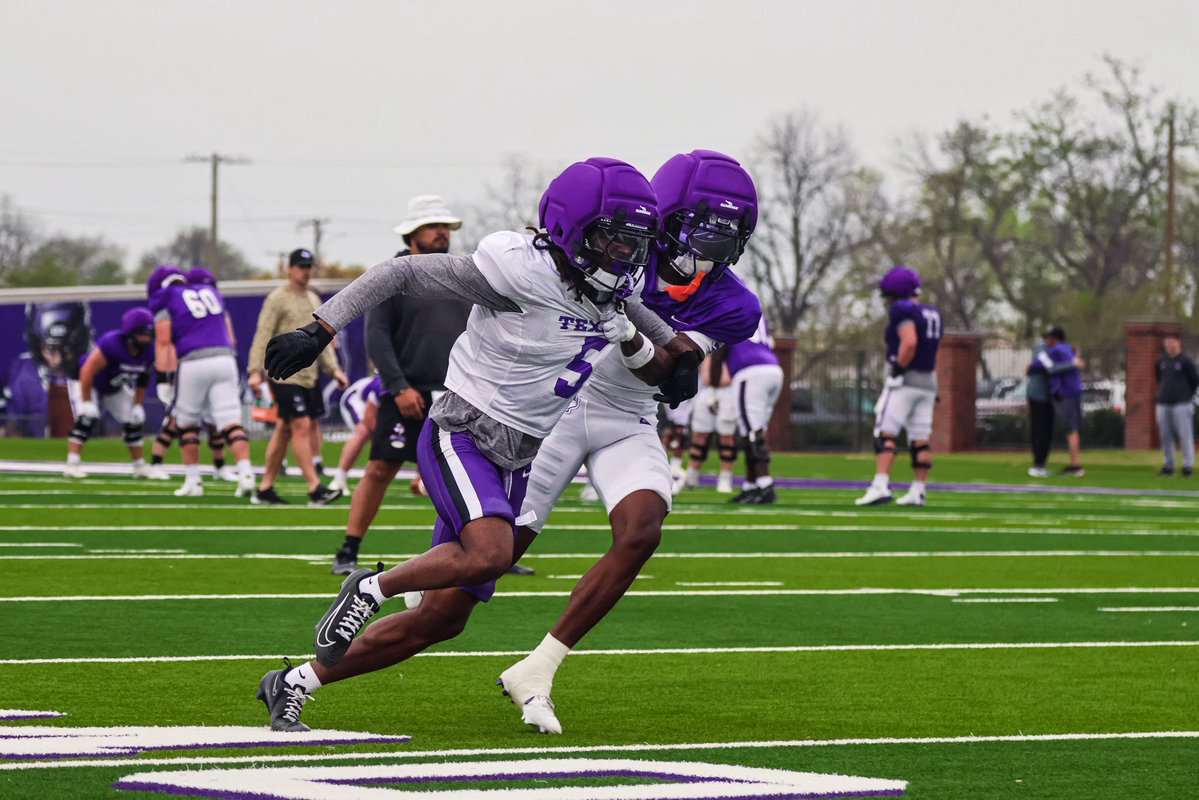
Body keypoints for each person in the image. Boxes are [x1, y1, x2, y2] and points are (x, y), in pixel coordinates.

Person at [256, 156, 696, 733]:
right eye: (612, 238)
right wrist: (321, 328)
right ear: (572, 230)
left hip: (522, 453)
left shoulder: (608, 288)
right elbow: (401, 276)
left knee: (440, 620)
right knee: (492, 552)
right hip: (465, 430)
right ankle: (371, 586)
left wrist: (676, 357)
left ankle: (294, 683)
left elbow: (657, 342)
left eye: (633, 242)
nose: (623, 254)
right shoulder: (518, 271)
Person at [496, 149, 761, 733]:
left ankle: (539, 667)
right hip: (564, 404)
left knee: (642, 530)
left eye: (727, 236)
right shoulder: (620, 249)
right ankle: (410, 586)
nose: (712, 249)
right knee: (495, 553)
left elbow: (670, 374)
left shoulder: (734, 304)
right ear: (665, 219)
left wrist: (637, 334)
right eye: (704, 230)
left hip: (630, 415)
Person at [330, 196, 472, 573]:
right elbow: (376, 336)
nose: (442, 233)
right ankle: (348, 549)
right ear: (412, 234)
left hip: (459, 395)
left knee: (476, 474)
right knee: (380, 468)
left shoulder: (462, 275)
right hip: (408, 392)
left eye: (446, 226)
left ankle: (488, 551)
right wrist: (398, 386)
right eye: (433, 226)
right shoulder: (392, 275)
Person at [246, 248, 348, 506]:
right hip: (283, 375)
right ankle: (315, 489)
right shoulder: (277, 298)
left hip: (308, 375)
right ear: (289, 269)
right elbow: (263, 334)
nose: (305, 271)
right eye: (301, 266)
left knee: (284, 429)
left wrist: (333, 369)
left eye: (308, 266)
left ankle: (265, 488)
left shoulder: (315, 299)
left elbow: (320, 339)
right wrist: (255, 371)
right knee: (301, 425)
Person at [148, 264, 257, 498]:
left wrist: (163, 379)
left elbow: (164, 341)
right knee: (230, 421)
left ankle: (193, 481)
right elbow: (230, 335)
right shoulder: (210, 293)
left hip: (194, 360)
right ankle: (246, 473)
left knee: (187, 423)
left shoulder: (166, 297)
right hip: (225, 358)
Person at [855, 266, 942, 507]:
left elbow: (910, 342)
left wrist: (899, 369)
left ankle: (880, 485)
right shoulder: (932, 312)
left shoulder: (902, 309)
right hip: (928, 382)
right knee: (920, 438)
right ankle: (918, 490)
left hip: (905, 381)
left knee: (885, 433)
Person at [63, 307, 156, 478]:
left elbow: (144, 377)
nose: (146, 338)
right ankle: (72, 464)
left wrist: (137, 405)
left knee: (133, 420)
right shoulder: (112, 343)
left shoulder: (149, 351)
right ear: (131, 333)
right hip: (86, 380)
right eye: (142, 333)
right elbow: (87, 371)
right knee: (86, 417)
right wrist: (87, 401)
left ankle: (139, 467)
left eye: (149, 333)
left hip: (113, 385)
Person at [718, 316, 783, 504]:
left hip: (750, 370)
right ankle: (752, 484)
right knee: (755, 431)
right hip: (773, 368)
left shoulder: (725, 308)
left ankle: (765, 484)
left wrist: (713, 385)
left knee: (752, 433)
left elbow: (719, 350)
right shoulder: (752, 309)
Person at [682, 355, 738, 492]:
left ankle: (725, 477)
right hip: (706, 388)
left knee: (726, 436)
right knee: (699, 435)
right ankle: (691, 474)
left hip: (727, 389)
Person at [328, 375, 383, 495]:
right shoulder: (381, 384)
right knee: (364, 431)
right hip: (355, 399)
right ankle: (339, 479)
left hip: (376, 405)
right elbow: (370, 420)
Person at [1042, 325, 1084, 476]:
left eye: (1049, 337)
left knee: (1070, 428)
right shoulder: (1067, 348)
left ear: (1054, 338)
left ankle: (1075, 465)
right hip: (1075, 390)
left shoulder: (1057, 350)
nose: (1047, 340)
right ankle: (1075, 463)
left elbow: (1051, 369)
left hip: (1066, 392)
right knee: (1073, 428)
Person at [1155, 332, 1198, 477]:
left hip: (1182, 403)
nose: (1169, 344)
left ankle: (1187, 466)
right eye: (1167, 341)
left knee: (1184, 435)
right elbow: (1158, 378)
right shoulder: (1162, 360)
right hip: (1164, 403)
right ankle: (1169, 466)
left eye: (1172, 341)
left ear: (1179, 342)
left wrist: (1185, 395)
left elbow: (1194, 380)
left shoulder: (1186, 361)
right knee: (1165, 436)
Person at [1025, 336, 1055, 478]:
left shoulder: (1048, 349)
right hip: (1038, 397)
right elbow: (1045, 365)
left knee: (1046, 431)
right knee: (1040, 430)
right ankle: (1038, 464)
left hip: (1045, 397)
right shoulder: (1041, 348)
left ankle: (1041, 463)